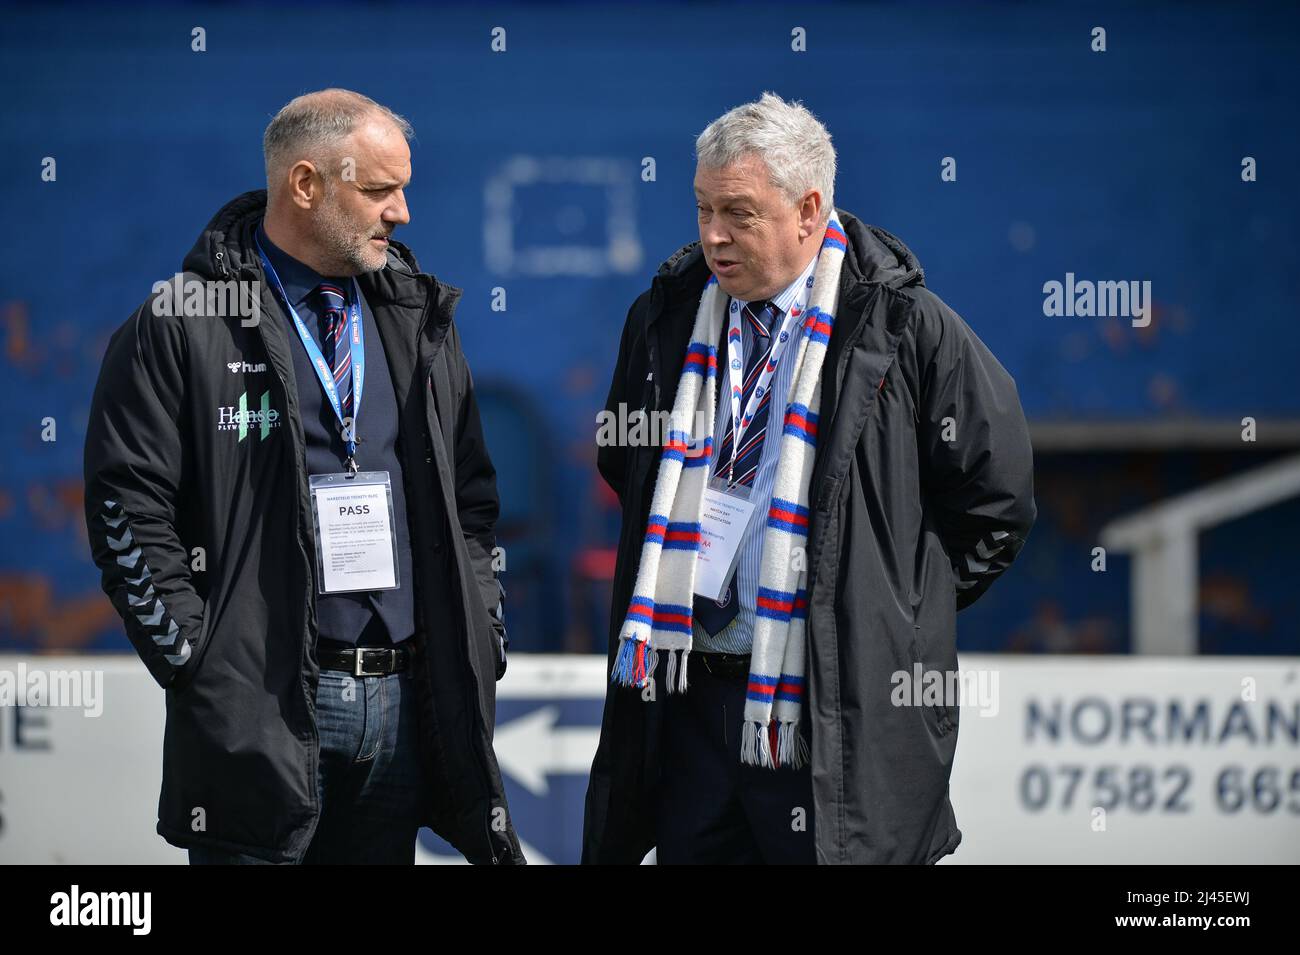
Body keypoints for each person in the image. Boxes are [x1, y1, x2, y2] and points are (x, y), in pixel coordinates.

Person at [583, 92, 1037, 864]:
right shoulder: (663, 315)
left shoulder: (906, 328)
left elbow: (996, 500)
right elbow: (626, 464)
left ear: (809, 209)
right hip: (690, 706)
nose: (713, 236)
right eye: (702, 209)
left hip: (833, 712)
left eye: (738, 213)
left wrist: (883, 607)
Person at [83, 89, 523, 864]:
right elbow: (127, 509)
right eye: (380, 190)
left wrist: (481, 631)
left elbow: (472, 504)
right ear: (307, 184)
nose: (404, 212)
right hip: (261, 710)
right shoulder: (182, 321)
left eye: (404, 188)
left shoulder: (414, 315)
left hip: (402, 707)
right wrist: (200, 663)